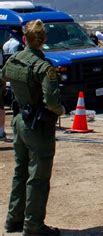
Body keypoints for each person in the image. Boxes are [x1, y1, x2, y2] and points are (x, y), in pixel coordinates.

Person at [2, 19, 65, 235]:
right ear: (44, 40)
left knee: (20, 170)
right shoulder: (44, 67)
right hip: (37, 125)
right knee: (38, 176)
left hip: (19, 120)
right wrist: (61, 111)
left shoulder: (15, 60)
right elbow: (52, 100)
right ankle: (33, 225)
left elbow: (2, 78)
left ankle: (14, 219)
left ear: (24, 39)